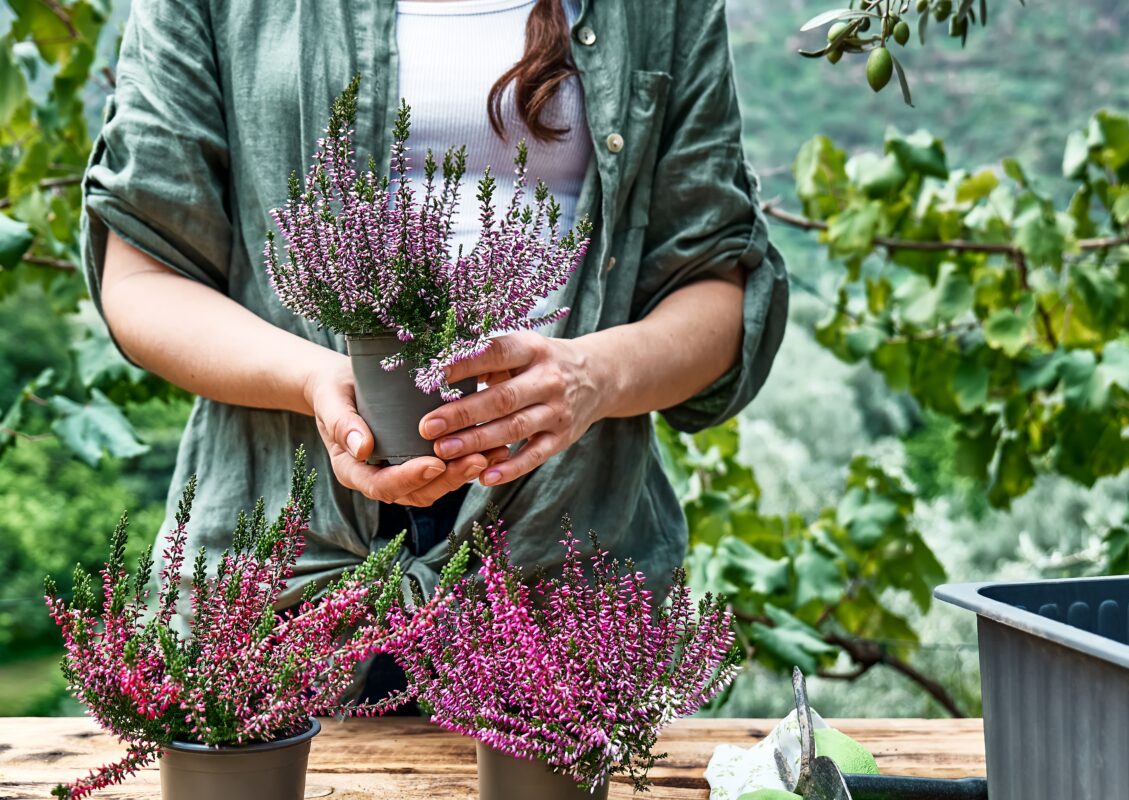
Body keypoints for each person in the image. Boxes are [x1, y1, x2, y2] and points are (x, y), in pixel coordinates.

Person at [83, 0, 787, 669]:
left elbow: (717, 289)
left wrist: (590, 378)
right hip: (280, 562)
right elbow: (142, 278)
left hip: (565, 563)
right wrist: (314, 381)